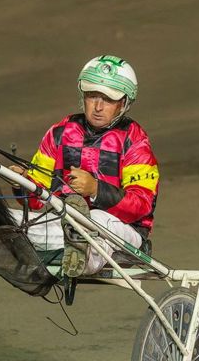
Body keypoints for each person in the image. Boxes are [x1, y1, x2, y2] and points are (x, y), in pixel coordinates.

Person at [10, 55, 159, 277]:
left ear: (124, 103)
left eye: (108, 99)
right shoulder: (59, 132)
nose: (98, 107)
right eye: (92, 96)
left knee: (95, 219)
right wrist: (22, 184)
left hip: (120, 231)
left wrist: (96, 190)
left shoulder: (135, 141)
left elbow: (142, 205)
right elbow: (35, 202)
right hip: (65, 223)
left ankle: (80, 253)